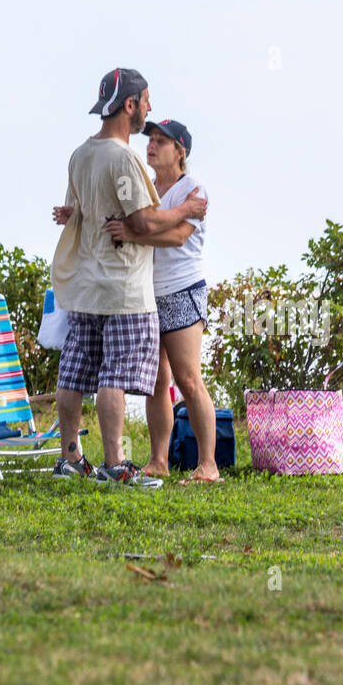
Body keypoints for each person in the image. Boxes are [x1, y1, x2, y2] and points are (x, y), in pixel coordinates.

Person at [49, 68, 207, 488]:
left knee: (73, 373)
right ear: (130, 105)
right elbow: (144, 218)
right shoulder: (123, 158)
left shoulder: (79, 154)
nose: (150, 109)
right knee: (114, 376)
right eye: (146, 101)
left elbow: (76, 210)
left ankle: (70, 458)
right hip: (120, 288)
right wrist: (185, 212)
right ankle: (116, 462)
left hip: (83, 286)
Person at [103, 119, 220, 483]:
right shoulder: (149, 190)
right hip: (150, 294)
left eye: (160, 141)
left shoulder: (194, 189)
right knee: (157, 381)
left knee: (188, 379)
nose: (150, 145)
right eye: (149, 139)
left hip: (183, 291)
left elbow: (178, 237)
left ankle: (209, 465)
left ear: (180, 151)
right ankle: (158, 460)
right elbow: (145, 225)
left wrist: (134, 233)